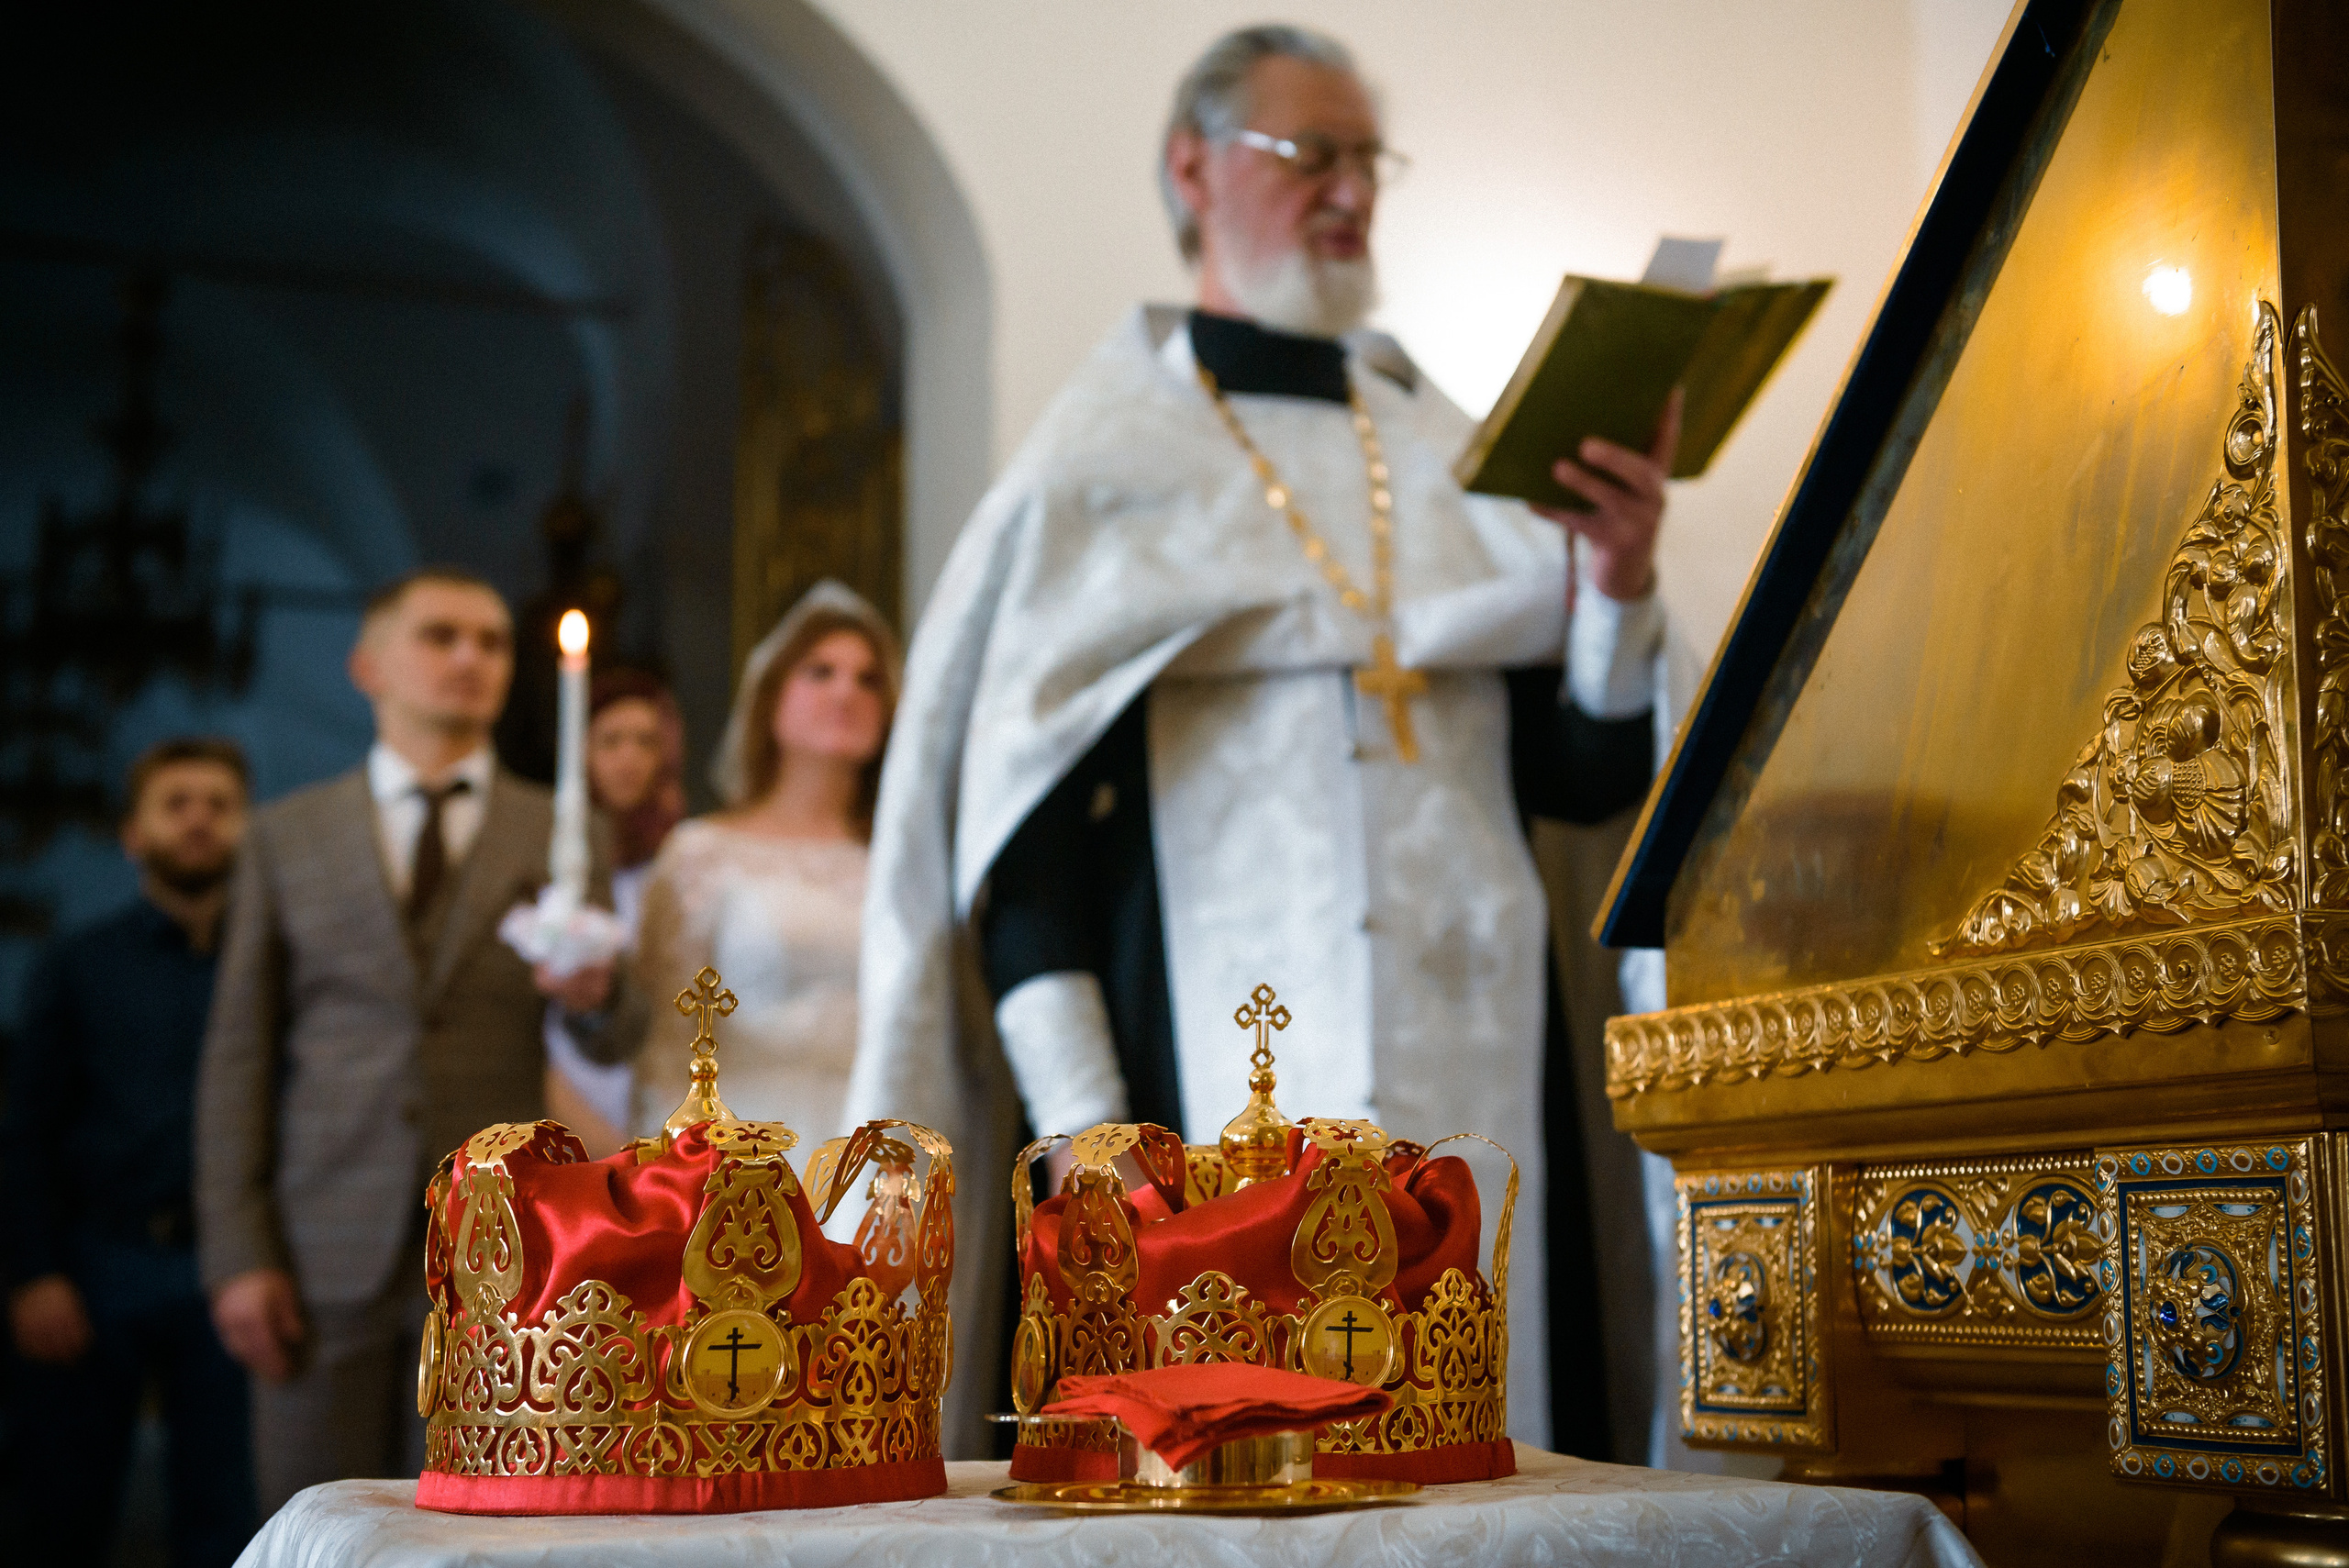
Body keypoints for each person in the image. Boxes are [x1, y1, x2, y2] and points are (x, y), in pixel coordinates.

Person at [846, 25, 1667, 1457]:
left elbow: (1583, 782)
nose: (1351, 189)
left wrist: (1616, 586)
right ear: (1193, 167)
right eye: (1313, 154)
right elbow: (1025, 865)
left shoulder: (1445, 452)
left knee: (1505, 1449)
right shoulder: (1103, 473)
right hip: (1202, 1079)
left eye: (1369, 159)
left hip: (1487, 1057)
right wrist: (1097, 1149)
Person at [194, 567, 649, 1511]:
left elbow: (613, 1038)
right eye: (441, 636)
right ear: (370, 664)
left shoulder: (561, 825)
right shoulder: (290, 833)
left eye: (490, 641)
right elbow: (238, 1052)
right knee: (314, 1507)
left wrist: (596, 996)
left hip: (501, 1234)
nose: (470, 658)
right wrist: (238, 1250)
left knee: (480, 1514)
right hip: (323, 1228)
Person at [4, 740, 259, 1567]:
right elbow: (26, 1126)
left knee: (228, 1514)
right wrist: (32, 1270)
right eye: (177, 802)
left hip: (232, 1267)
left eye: (219, 803)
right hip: (96, 1263)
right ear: (133, 833)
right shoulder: (80, 964)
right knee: (61, 1508)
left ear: (246, 826)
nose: (199, 819)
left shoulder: (271, 965)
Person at [629, 583, 897, 1147]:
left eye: (868, 679)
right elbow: (667, 1041)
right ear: (771, 697)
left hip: (881, 1145)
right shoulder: (703, 853)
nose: (846, 691)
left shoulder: (904, 863)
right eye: (820, 672)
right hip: (746, 1152)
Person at [541, 669, 685, 1156]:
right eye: (611, 740)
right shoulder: (546, 854)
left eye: (646, 742)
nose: (629, 758)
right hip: (562, 1085)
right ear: (580, 748)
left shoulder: (683, 857)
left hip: (662, 1080)